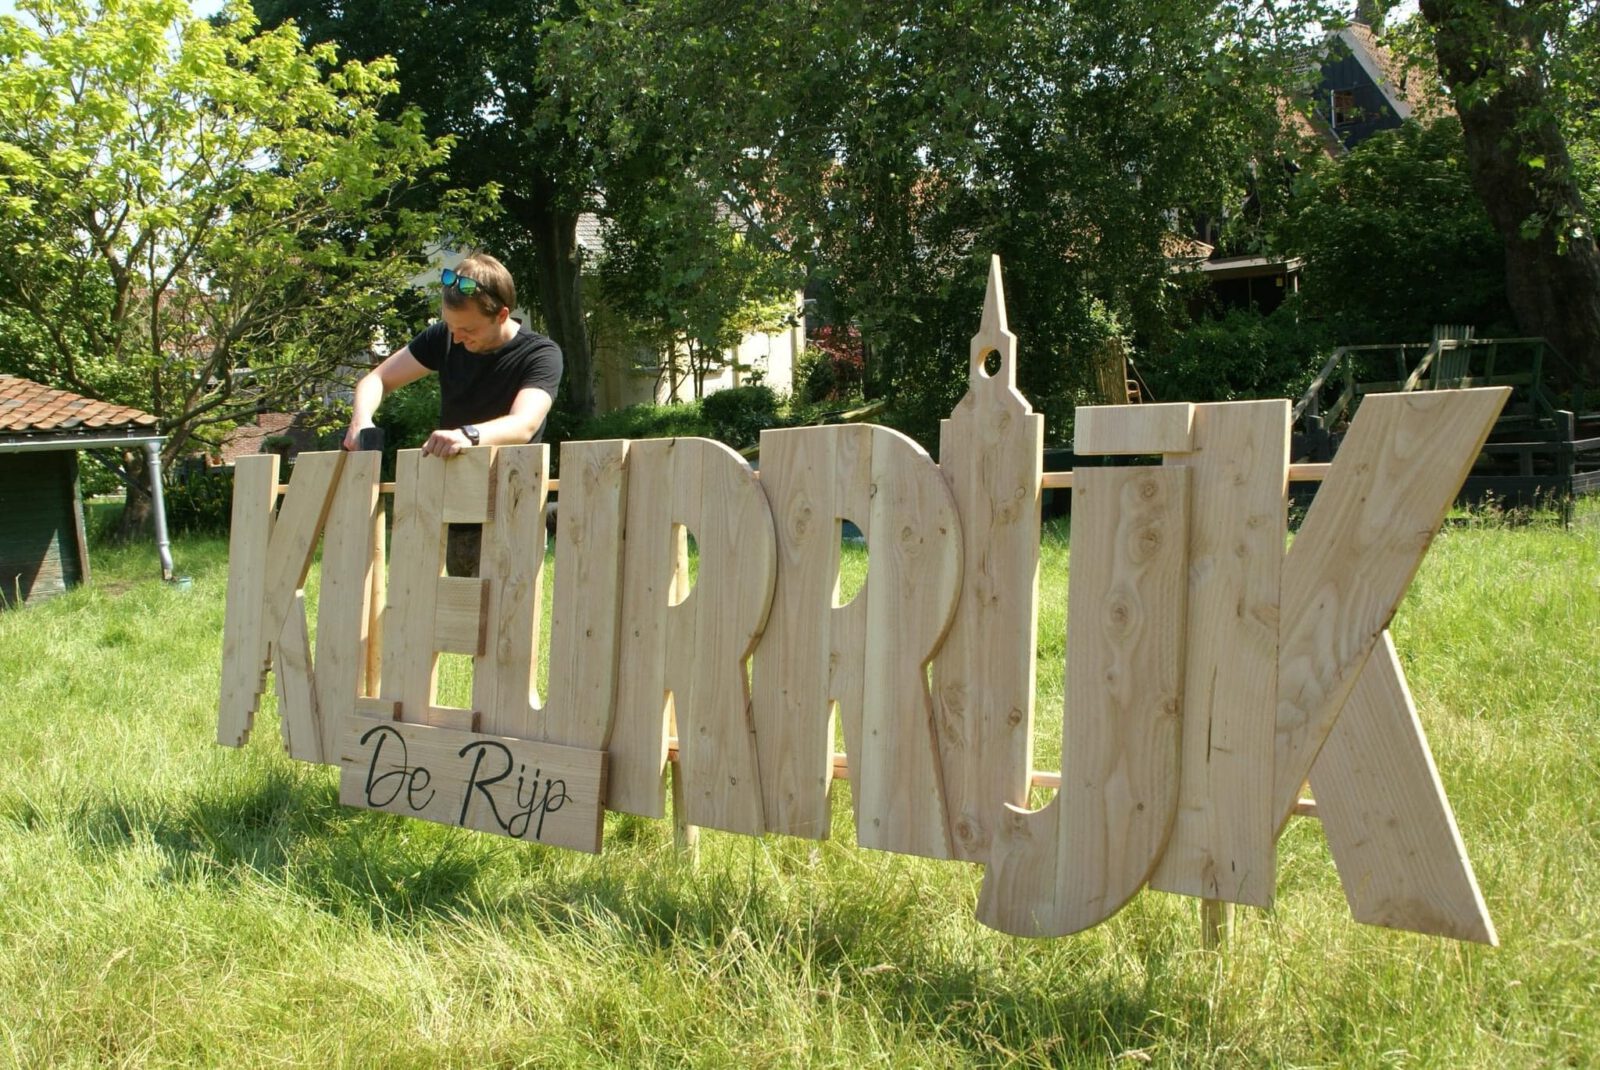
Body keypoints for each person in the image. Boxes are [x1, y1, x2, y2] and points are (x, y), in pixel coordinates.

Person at [344, 253, 562, 574]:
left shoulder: (540, 354)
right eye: (451, 326)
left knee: (504, 619)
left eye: (468, 328)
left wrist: (467, 435)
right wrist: (361, 421)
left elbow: (525, 424)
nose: (457, 337)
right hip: (457, 503)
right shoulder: (444, 337)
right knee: (457, 613)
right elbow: (376, 380)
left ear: (502, 315)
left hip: (513, 504)